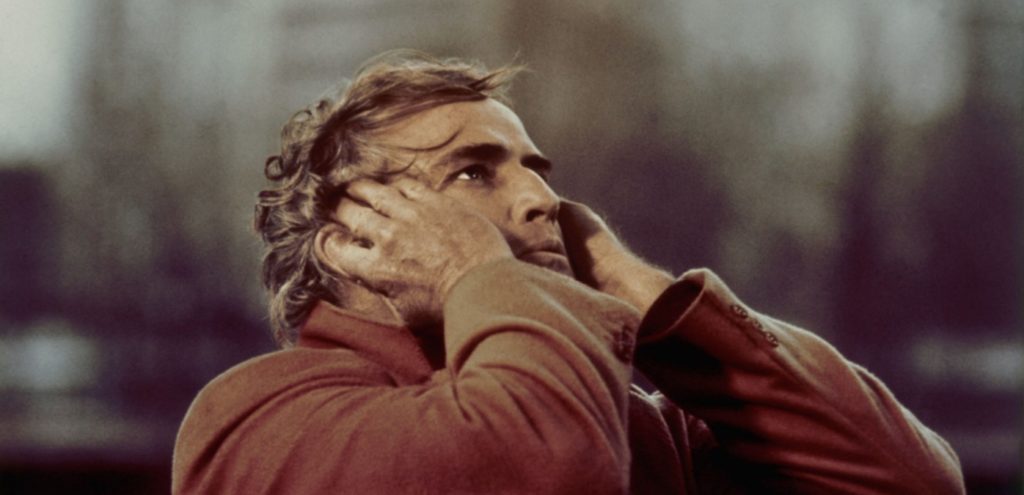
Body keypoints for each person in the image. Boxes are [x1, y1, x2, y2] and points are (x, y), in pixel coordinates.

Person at [172, 51, 965, 494]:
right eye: (473, 172)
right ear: (350, 237)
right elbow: (546, 467)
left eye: (535, 169)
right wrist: (473, 269)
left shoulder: (633, 424)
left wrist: (640, 292)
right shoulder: (254, 418)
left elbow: (909, 481)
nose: (544, 198)